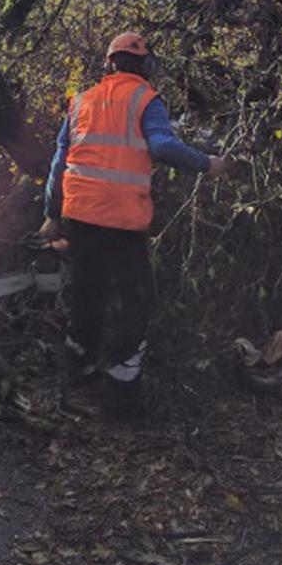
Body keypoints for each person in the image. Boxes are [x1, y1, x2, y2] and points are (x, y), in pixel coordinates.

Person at [37, 31, 227, 418]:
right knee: (136, 301)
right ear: (145, 66)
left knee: (87, 298)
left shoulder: (82, 101)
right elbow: (162, 146)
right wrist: (208, 163)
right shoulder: (146, 98)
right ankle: (121, 397)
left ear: (108, 63)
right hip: (122, 222)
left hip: (82, 218)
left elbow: (59, 162)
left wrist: (51, 216)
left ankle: (77, 381)